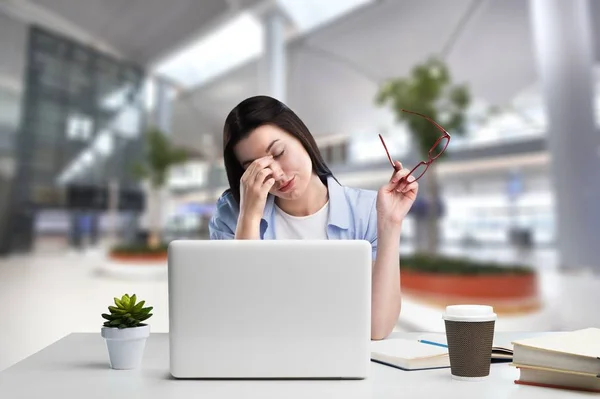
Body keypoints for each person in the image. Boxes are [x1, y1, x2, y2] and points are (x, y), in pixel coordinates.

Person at [209, 95, 418, 340]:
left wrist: (391, 223)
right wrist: (250, 216)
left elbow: (377, 328)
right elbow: (237, 318)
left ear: (301, 137)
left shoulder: (367, 210)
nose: (276, 174)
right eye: (255, 168)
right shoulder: (232, 214)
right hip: (262, 357)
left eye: (278, 153)